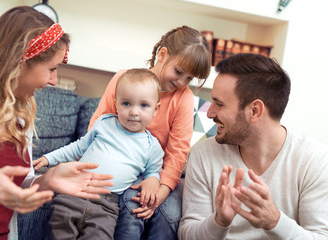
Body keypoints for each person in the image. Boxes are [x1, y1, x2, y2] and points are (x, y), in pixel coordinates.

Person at [0, 6, 113, 240]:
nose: (54, 80)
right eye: (51, 69)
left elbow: (19, 185)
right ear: (19, 61)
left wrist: (47, 179)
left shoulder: (22, 110)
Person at [178, 53, 328, 239]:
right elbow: (187, 234)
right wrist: (219, 222)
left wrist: (275, 221)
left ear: (255, 111)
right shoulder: (204, 154)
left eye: (219, 104)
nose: (209, 113)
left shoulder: (315, 160)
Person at [89, 25, 211, 239]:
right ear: (162, 55)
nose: (181, 82)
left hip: (157, 172)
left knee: (170, 213)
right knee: (132, 205)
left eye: (189, 78)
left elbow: (178, 152)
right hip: (119, 163)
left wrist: (160, 190)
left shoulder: (183, 97)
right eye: (179, 72)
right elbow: (97, 127)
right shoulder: (123, 79)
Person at [33, 68, 164, 240]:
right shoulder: (104, 123)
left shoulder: (152, 146)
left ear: (156, 109)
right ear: (116, 103)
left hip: (107, 206)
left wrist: (153, 180)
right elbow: (78, 147)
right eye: (126, 103)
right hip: (75, 192)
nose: (134, 112)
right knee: (58, 231)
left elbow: (153, 172)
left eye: (144, 105)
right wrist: (49, 157)